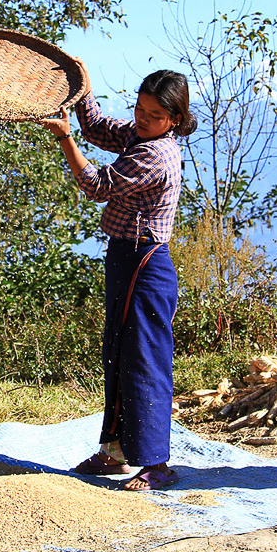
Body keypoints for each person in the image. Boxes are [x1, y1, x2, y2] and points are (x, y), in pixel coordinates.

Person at [38, 68, 197, 491]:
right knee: (118, 354)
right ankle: (115, 452)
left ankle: (155, 464)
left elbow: (96, 185)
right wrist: (81, 84)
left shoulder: (156, 155)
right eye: (140, 110)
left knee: (144, 359)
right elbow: (95, 126)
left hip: (146, 264)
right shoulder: (138, 137)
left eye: (155, 115)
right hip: (125, 256)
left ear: (174, 119)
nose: (143, 119)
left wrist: (63, 138)